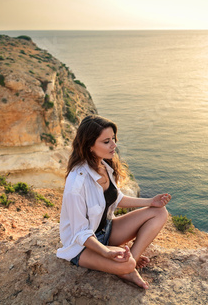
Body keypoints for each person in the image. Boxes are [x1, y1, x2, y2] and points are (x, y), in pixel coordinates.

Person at [56, 115, 171, 289]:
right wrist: (105, 252)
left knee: (160, 212)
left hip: (107, 231)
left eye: (113, 139)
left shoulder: (105, 166)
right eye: (106, 141)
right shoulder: (76, 183)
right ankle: (128, 266)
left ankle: (130, 260)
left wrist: (151, 201)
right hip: (83, 245)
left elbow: (116, 199)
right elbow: (80, 233)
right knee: (126, 263)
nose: (114, 145)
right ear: (90, 146)